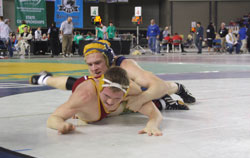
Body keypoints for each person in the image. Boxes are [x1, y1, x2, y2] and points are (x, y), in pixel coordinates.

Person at [30, 40, 195, 111]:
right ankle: (44, 78)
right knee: (84, 86)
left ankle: (178, 88)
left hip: (140, 88)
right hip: (122, 90)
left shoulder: (126, 66)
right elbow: (75, 84)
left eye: (98, 63)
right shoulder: (98, 68)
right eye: (90, 65)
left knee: (159, 90)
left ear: (108, 60)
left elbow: (158, 86)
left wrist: (142, 99)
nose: (94, 68)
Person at [47, 66, 163, 136]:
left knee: (157, 92)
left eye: (117, 98)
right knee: (71, 84)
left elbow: (155, 113)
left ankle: (175, 88)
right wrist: (61, 125)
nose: (110, 102)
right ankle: (45, 79)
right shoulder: (84, 96)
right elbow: (53, 118)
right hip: (86, 90)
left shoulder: (132, 91)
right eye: (106, 96)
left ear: (125, 93)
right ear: (99, 88)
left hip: (121, 93)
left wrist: (152, 124)